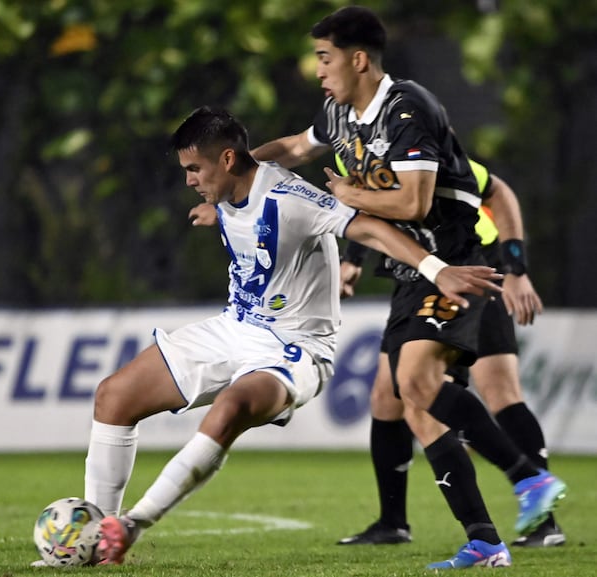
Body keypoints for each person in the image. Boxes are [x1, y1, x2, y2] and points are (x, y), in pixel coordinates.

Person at [189, 6, 566, 569]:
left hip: (457, 258)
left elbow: (412, 202)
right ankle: (483, 539)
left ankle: (528, 480)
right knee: (402, 401)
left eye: (325, 57)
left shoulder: (407, 109)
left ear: (358, 59)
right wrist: (235, 172)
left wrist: (345, 197)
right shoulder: (341, 115)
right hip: (417, 268)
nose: (317, 69)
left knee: (429, 382)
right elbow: (295, 147)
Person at [83, 106, 503, 566]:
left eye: (193, 169)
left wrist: (436, 270)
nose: (188, 181)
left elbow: (369, 227)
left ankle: (130, 526)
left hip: (294, 349)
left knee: (231, 408)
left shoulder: (290, 197)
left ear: (225, 160)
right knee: (113, 396)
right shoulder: (227, 187)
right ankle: (95, 540)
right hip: (234, 327)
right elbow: (265, 154)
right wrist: (214, 203)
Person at [336, 160, 565, 548]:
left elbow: (499, 191)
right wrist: (353, 259)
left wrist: (515, 269)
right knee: (387, 397)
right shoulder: (353, 143)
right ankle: (393, 522)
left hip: (476, 265)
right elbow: (372, 207)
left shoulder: (425, 146)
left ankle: (542, 516)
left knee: (498, 391)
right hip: (417, 274)